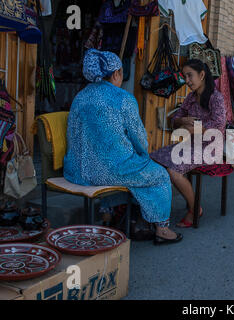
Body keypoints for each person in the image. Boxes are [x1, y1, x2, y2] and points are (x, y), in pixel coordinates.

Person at [64, 49, 183, 245]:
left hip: (76, 170)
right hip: (110, 171)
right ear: (117, 74)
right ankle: (162, 229)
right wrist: (143, 156)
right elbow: (139, 138)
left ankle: (108, 218)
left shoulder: (80, 97)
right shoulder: (123, 99)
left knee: (125, 172)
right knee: (159, 175)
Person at [150, 59, 226, 228]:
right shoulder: (191, 98)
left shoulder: (216, 98)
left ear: (202, 75)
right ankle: (153, 208)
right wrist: (183, 120)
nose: (187, 80)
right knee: (152, 160)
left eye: (190, 75)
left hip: (210, 148)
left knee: (173, 169)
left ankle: (194, 209)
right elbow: (175, 120)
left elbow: (219, 125)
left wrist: (197, 129)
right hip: (190, 145)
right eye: (185, 76)